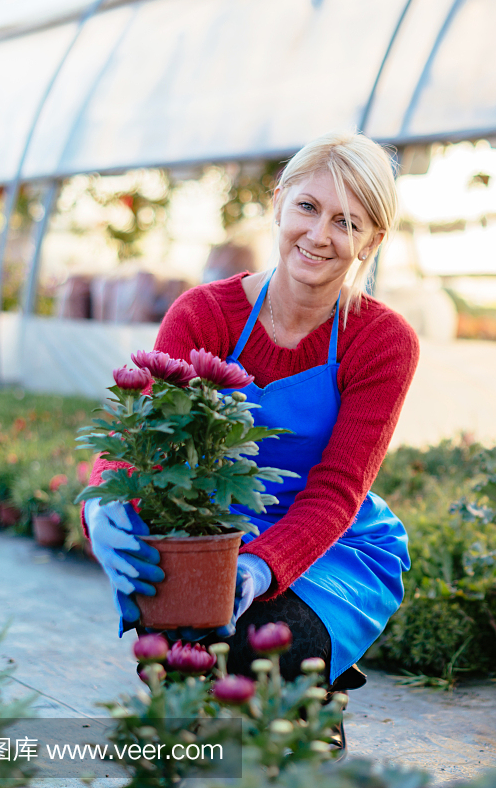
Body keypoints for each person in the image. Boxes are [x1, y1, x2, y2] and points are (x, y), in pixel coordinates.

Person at [83, 132, 420, 707]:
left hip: (328, 543)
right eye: (308, 208)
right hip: (205, 526)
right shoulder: (204, 314)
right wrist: (103, 502)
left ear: (372, 241)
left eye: (347, 222)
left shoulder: (382, 342)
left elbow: (338, 489)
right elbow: (143, 437)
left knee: (267, 647)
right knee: (183, 656)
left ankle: (314, 706)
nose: (319, 235)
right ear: (279, 203)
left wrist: (263, 567)